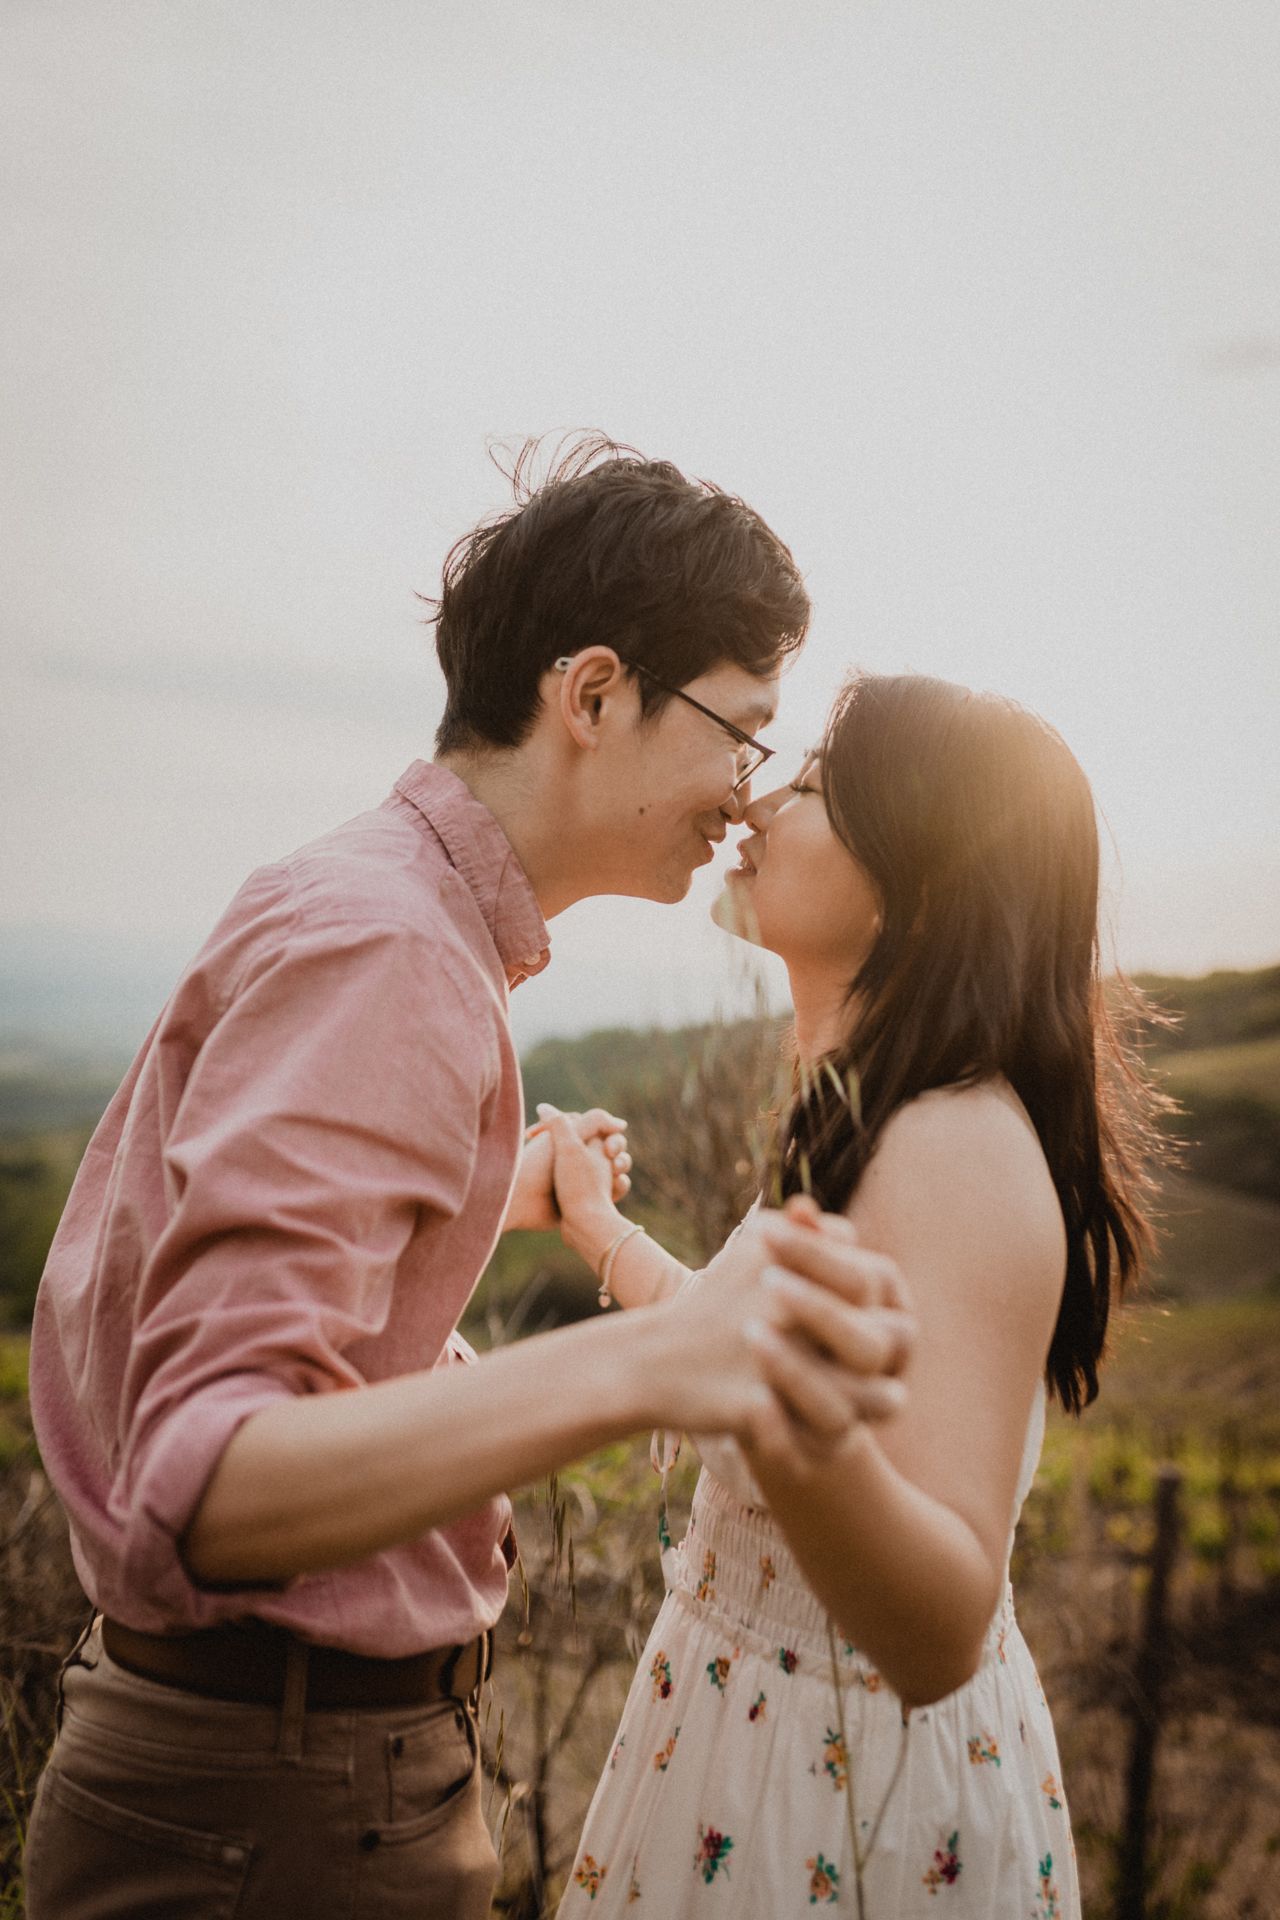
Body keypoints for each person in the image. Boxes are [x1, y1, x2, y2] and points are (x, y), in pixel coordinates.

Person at [23, 441, 915, 1920]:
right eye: (740, 735)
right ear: (593, 696)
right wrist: (658, 1357)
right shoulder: (392, 955)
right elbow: (211, 1483)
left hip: (267, 1786)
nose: (746, 798)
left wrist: (480, 1199)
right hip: (272, 1810)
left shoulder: (377, 912)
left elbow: (179, 1260)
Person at [546, 673, 1164, 1918]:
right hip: (761, 1745)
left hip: (839, 1803)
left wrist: (757, 1398)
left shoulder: (952, 1147)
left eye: (816, 783)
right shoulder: (873, 1118)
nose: (758, 800)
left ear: (920, 878)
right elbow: (740, 1346)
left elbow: (940, 1620)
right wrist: (597, 1228)